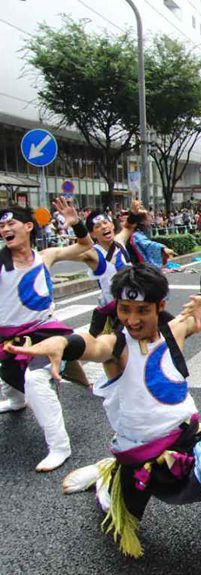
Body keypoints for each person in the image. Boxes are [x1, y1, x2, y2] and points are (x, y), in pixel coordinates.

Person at [8, 265, 201, 574]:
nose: (133, 319)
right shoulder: (116, 347)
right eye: (125, 309)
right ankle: (105, 476)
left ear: (160, 306)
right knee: (111, 512)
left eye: (142, 310)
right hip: (137, 454)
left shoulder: (176, 330)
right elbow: (91, 345)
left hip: (186, 440)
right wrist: (62, 344)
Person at [0, 200, 93, 471]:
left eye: (11, 223)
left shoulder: (46, 256)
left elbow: (85, 245)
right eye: (1, 226)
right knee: (10, 368)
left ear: (28, 227)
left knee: (35, 379)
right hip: (8, 338)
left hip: (45, 333)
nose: (5, 229)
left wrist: (76, 223)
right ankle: (16, 401)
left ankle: (59, 446)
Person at [80, 210, 132, 336]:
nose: (104, 227)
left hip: (134, 303)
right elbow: (76, 250)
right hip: (114, 312)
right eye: (97, 226)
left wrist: (135, 212)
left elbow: (129, 226)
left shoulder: (119, 242)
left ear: (112, 225)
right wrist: (76, 224)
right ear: (92, 234)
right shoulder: (94, 254)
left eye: (105, 222)